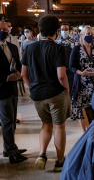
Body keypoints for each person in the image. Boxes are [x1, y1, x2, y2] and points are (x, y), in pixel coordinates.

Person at [21, 15, 71, 171]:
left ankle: (42, 154)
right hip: (55, 93)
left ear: (40, 30)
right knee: (59, 127)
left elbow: (23, 74)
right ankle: (60, 161)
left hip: (37, 95)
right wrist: (67, 88)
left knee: (45, 125)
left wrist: (32, 88)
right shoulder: (58, 48)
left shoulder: (29, 48)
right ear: (57, 31)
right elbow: (61, 75)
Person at [0, 21, 28, 164]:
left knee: (12, 120)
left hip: (12, 88)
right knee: (6, 122)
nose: (4, 31)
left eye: (6, 29)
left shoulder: (11, 46)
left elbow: (15, 63)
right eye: (1, 29)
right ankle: (12, 153)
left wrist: (17, 72)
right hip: (1, 90)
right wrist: (6, 77)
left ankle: (9, 147)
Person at [69, 26, 94, 132]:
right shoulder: (76, 49)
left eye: (91, 34)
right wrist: (81, 73)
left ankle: (93, 130)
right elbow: (72, 66)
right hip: (82, 83)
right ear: (82, 35)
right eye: (87, 34)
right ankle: (84, 132)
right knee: (82, 110)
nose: (90, 36)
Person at [55, 23, 78, 96]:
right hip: (60, 69)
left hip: (71, 69)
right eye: (62, 30)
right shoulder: (56, 43)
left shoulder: (75, 42)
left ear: (69, 31)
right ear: (59, 31)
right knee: (61, 90)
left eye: (66, 29)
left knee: (71, 89)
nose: (64, 31)